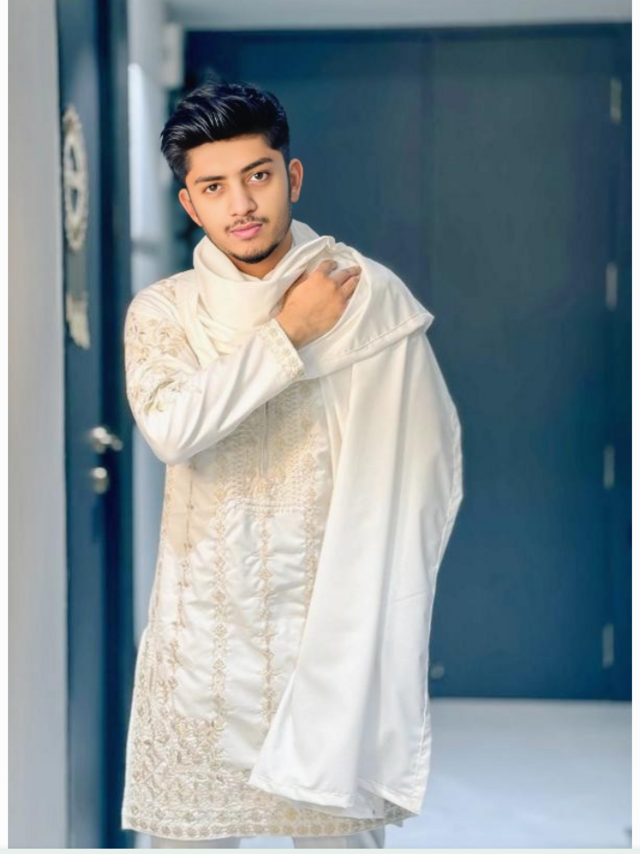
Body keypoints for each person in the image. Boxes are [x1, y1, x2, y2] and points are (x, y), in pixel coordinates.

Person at [121, 79, 463, 849]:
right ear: (190, 204)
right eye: (215, 187)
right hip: (203, 646)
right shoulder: (164, 312)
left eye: (259, 175)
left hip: (330, 639)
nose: (242, 204)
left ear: (292, 176)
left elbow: (425, 462)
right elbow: (173, 430)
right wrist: (288, 334)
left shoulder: (364, 294)